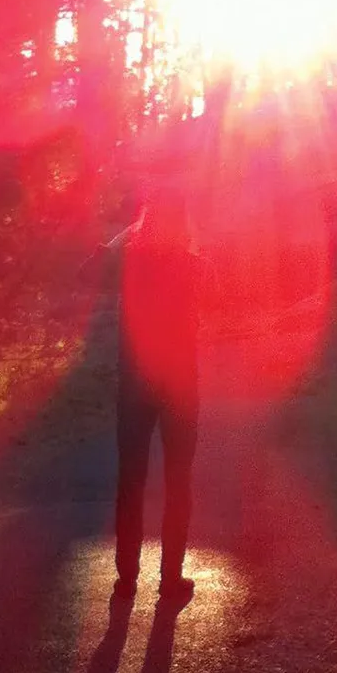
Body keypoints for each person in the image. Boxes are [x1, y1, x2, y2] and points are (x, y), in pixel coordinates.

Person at [113, 178, 204, 605]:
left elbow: (82, 273)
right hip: (180, 384)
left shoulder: (130, 262)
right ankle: (170, 581)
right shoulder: (192, 264)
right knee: (177, 480)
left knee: (131, 479)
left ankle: (126, 579)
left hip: (134, 382)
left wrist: (123, 239)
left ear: (145, 221)